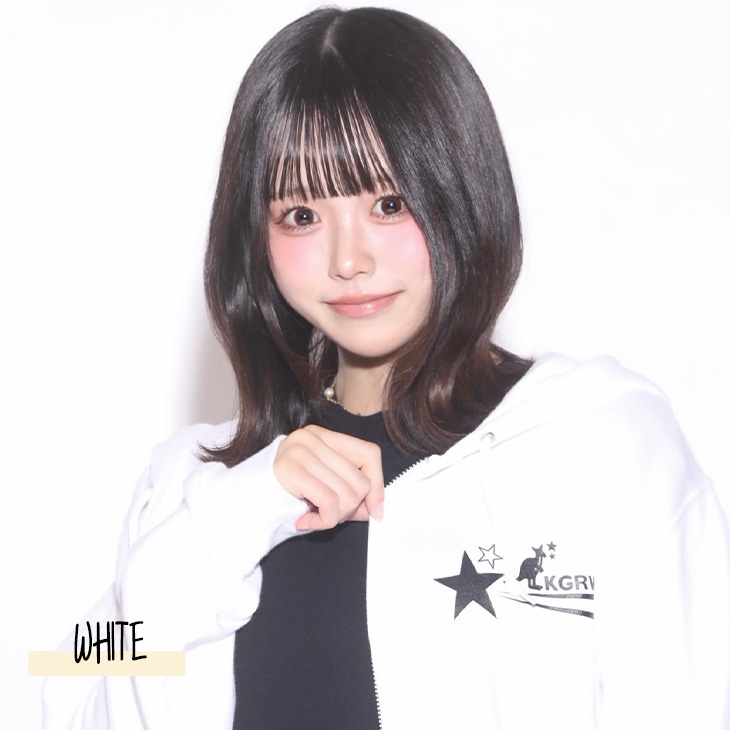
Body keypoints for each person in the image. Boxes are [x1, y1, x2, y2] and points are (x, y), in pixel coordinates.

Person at [44, 6, 730, 729]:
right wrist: (233, 515)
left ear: (462, 195)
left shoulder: (600, 439)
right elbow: (62, 680)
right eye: (302, 215)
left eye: (389, 203)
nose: (349, 260)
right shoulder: (196, 483)